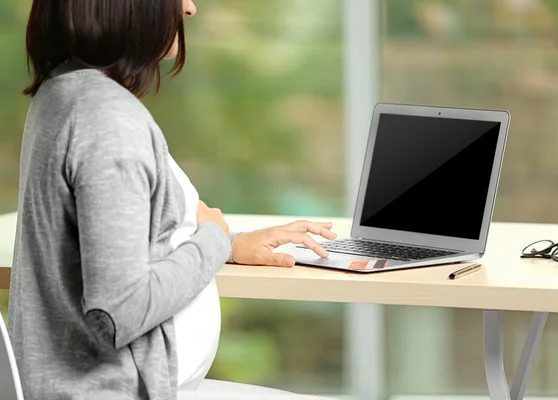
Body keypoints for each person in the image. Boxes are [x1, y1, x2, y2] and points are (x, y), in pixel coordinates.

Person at [7, 0, 337, 399]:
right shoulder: (107, 122)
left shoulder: (64, 93)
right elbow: (118, 311)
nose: (190, 8)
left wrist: (229, 245)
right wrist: (212, 240)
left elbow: (117, 246)